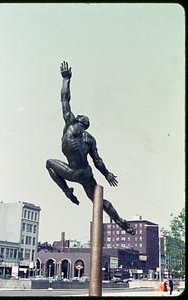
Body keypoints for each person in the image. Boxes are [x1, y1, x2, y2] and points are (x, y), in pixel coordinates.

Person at [46, 61, 135, 235]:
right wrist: (107, 174)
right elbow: (97, 161)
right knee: (98, 201)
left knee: (49, 163)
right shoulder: (91, 139)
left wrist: (66, 79)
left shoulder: (70, 124)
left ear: (80, 121)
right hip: (86, 173)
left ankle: (67, 191)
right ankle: (121, 221)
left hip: (72, 171)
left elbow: (65, 99)